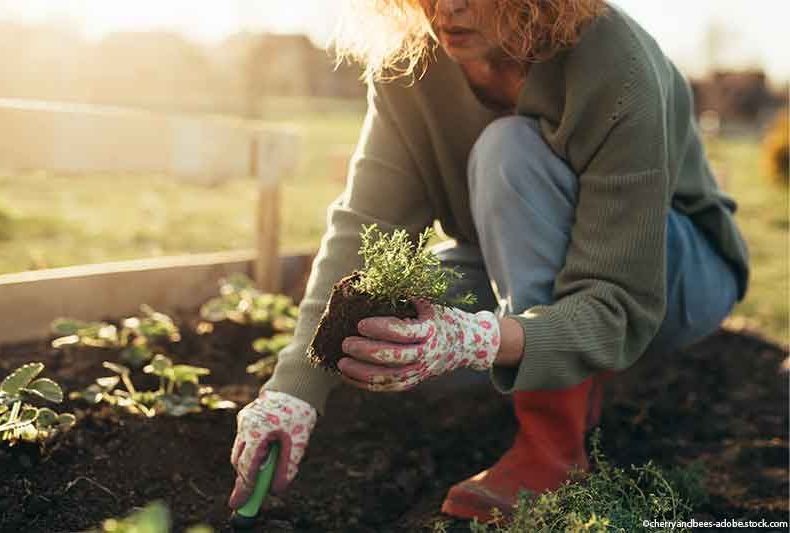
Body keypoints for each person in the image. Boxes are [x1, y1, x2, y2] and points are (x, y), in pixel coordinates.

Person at [229, 0, 750, 522]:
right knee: (389, 336)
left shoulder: (613, 60)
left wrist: (474, 338)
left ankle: (553, 450)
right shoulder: (410, 61)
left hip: (673, 275)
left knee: (510, 151)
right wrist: (293, 392)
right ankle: (566, 361)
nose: (447, 8)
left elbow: (621, 304)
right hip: (521, 270)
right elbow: (367, 230)